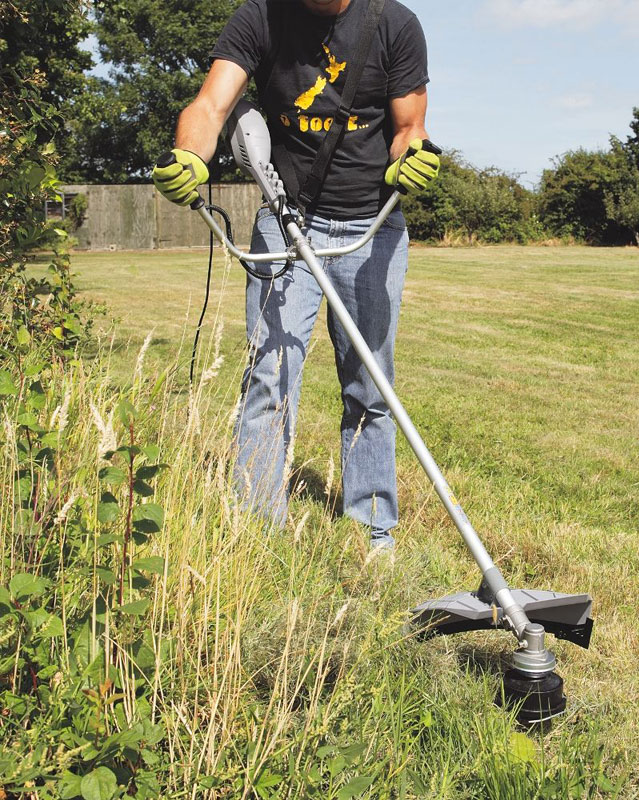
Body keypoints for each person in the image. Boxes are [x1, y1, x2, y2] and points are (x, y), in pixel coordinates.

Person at [152, 0, 440, 548]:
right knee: (270, 377)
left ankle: (371, 531)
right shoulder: (260, 16)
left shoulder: (394, 24)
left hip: (371, 226)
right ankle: (257, 531)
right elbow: (211, 106)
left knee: (371, 383)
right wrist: (189, 154)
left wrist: (412, 156)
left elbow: (409, 128)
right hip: (287, 221)